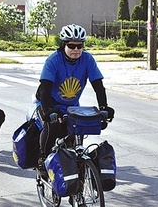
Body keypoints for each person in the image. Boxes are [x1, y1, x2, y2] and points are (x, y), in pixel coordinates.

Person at [36, 23, 115, 159]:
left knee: (76, 133)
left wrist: (103, 107)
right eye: (72, 46)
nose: (76, 49)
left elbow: (98, 86)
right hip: (48, 103)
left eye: (80, 46)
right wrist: (48, 110)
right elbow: (45, 88)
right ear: (64, 45)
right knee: (52, 127)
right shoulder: (53, 60)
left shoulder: (87, 59)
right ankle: (43, 159)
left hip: (71, 107)